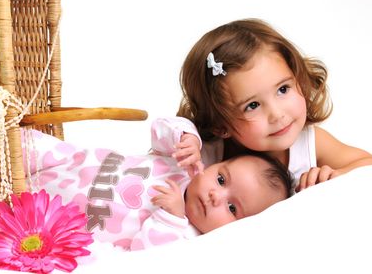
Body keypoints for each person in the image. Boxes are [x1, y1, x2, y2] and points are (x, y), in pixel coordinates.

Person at [20, 117, 293, 251]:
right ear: (215, 164)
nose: (214, 195)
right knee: (25, 145)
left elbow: (145, 257)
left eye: (232, 208)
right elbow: (160, 128)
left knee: (13, 220)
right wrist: (186, 138)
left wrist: (170, 218)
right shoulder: (187, 165)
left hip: (52, 218)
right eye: (221, 179)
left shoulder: (188, 238)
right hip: (66, 163)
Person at [176, 18, 372, 191]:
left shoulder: (309, 143)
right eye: (252, 105)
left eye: (283, 89)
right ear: (220, 126)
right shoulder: (211, 156)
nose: (277, 114)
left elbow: (366, 164)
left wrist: (336, 175)